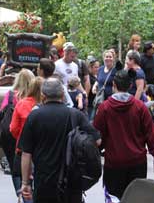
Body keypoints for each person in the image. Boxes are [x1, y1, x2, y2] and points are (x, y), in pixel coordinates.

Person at [19, 78, 101, 203]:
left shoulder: (34, 116)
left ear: (42, 96)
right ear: (62, 95)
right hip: (71, 181)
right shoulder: (76, 115)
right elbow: (97, 140)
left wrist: (25, 183)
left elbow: (26, 153)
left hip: (43, 181)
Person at [93, 69, 154, 199]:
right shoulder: (140, 107)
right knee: (136, 198)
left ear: (114, 84)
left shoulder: (105, 108)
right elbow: (150, 134)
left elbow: (98, 134)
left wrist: (98, 151)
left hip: (114, 162)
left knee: (114, 198)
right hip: (137, 162)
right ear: (130, 86)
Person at [9, 74, 43, 203]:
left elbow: (13, 128)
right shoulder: (46, 106)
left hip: (22, 150)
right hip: (42, 152)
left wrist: (21, 137)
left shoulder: (22, 104)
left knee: (22, 183)